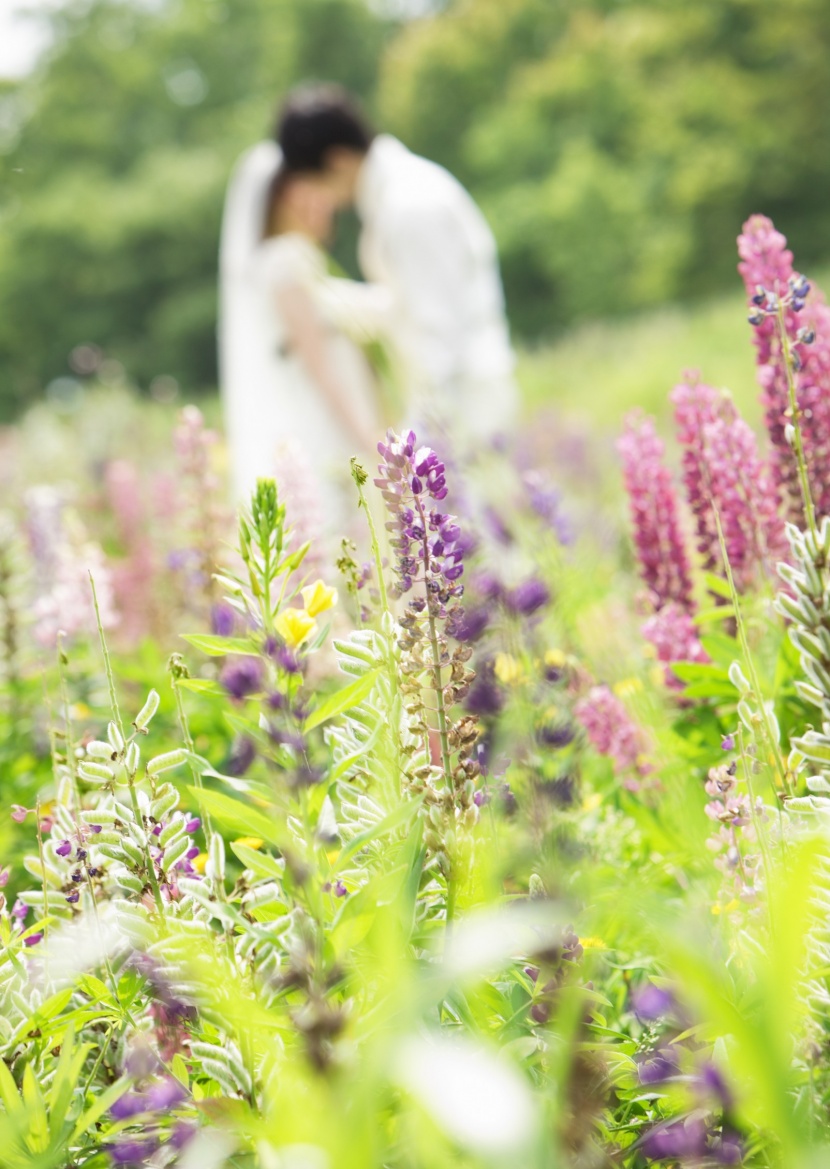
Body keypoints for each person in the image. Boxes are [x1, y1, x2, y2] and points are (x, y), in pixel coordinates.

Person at [277, 84, 519, 445]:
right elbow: (409, 302)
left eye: (315, 182)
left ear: (338, 160)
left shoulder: (409, 205)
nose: (320, 198)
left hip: (465, 407)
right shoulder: (401, 193)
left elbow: (440, 333)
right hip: (461, 404)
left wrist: (413, 442)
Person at [218, 139, 389, 519]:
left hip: (341, 415)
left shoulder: (302, 260)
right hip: (328, 423)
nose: (323, 201)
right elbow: (319, 365)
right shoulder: (283, 262)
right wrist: (371, 441)